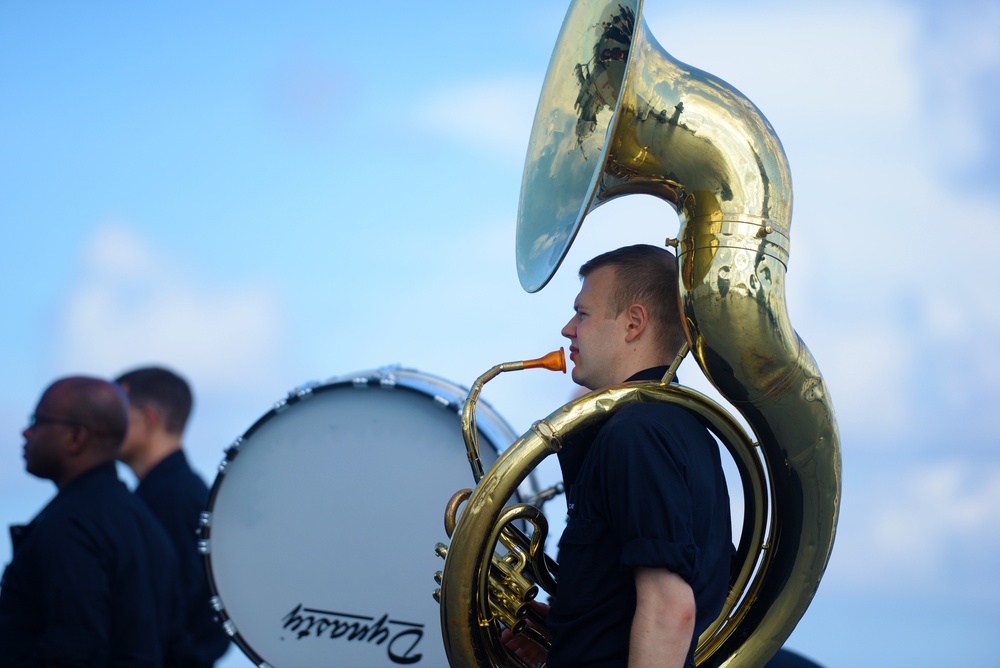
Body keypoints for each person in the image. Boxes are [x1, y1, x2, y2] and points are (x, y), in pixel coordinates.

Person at [505, 244, 732, 668]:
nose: (568, 329)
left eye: (583, 313)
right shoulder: (672, 427)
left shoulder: (637, 433)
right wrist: (573, 631)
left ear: (633, 323)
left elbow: (670, 609)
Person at [0, 376, 181, 667]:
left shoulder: (71, 527)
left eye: (38, 420)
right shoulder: (145, 522)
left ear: (76, 438)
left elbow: (72, 651)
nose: (26, 432)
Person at [115, 366, 230, 668]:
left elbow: (177, 613)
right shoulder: (179, 492)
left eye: (115, 411)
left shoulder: (171, 500)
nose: (104, 422)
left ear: (149, 418)